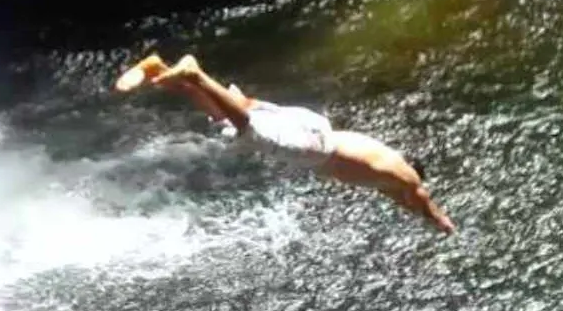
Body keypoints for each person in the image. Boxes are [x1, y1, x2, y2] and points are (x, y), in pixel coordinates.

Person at [115, 52, 456, 234]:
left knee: (236, 111)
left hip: (316, 128)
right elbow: (418, 195)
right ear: (414, 171)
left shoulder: (387, 172)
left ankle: (161, 70)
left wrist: (416, 212)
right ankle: (194, 74)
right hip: (318, 146)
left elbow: (403, 199)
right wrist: (440, 221)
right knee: (250, 129)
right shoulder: (404, 174)